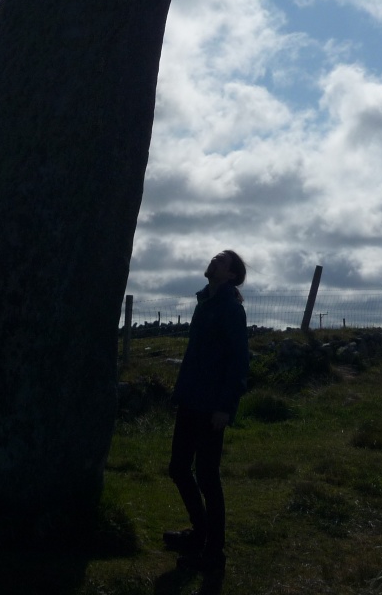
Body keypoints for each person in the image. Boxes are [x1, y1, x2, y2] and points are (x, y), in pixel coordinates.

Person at [163, 249, 249, 582]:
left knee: (208, 477)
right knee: (179, 468)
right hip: (191, 400)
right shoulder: (206, 304)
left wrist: (226, 407)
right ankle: (200, 534)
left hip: (212, 406)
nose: (213, 262)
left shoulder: (230, 309)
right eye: (214, 259)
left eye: (220, 262)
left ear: (231, 275)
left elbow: (238, 362)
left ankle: (214, 553)